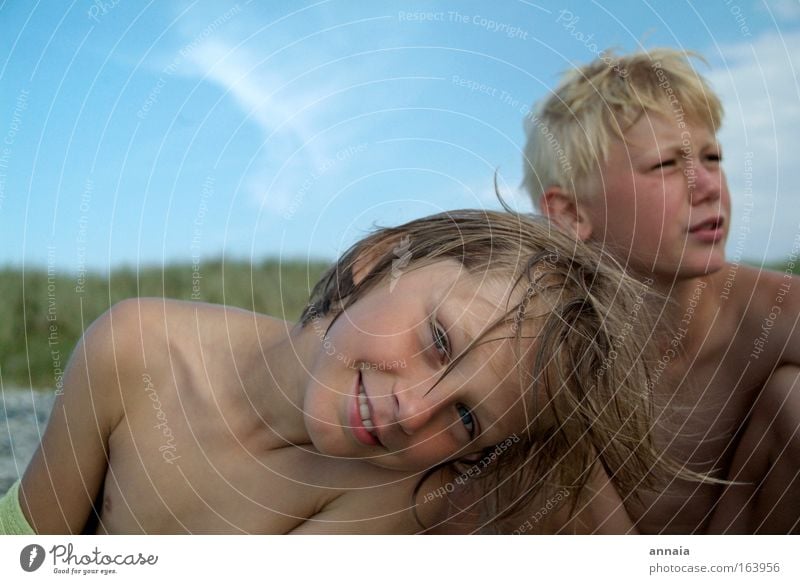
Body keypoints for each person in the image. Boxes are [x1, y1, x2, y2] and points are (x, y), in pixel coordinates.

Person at [2, 209, 671, 534]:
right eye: (439, 339)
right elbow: (24, 547)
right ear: (377, 263)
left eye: (466, 417)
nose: (413, 408)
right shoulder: (136, 348)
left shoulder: (394, 493)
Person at [522, 48, 800, 534]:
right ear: (570, 214)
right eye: (667, 165)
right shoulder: (538, 339)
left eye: (713, 157)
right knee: (529, 429)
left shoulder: (771, 313)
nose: (709, 184)